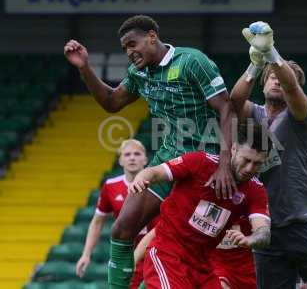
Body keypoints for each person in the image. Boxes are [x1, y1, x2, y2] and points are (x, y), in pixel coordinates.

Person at [64, 15, 236, 288]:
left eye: (133, 44)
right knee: (122, 228)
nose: (130, 52)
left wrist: (225, 164)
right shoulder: (138, 73)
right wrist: (85, 67)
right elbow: (111, 102)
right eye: (124, 49)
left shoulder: (192, 61)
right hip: (168, 158)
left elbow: (226, 107)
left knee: (194, 246)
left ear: (152, 36)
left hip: (205, 161)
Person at [230, 21, 307, 289]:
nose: (277, 82)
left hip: (304, 221)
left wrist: (272, 54)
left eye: (281, 79)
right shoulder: (254, 115)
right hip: (266, 228)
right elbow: (234, 101)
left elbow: (292, 88)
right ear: (263, 83)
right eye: (271, 77)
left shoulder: (298, 116)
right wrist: (256, 63)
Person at [129, 123, 271, 289]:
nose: (249, 168)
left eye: (257, 164)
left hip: (202, 267)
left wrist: (250, 240)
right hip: (167, 255)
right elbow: (154, 172)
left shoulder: (255, 190)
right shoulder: (200, 162)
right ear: (233, 149)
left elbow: (263, 232)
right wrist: (140, 178)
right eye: (246, 160)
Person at [75, 139, 155, 288]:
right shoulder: (110, 186)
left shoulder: (157, 185)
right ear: (120, 160)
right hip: (125, 255)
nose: (132, 158)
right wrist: (86, 254)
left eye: (137, 154)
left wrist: (137, 255)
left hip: (154, 254)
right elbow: (97, 222)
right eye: (127, 154)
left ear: (145, 159)